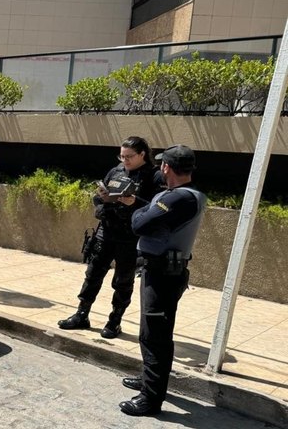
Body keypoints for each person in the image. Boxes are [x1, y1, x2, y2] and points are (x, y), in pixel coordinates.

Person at [119, 145, 206, 416]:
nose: (159, 168)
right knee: (151, 332)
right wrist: (144, 207)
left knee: (154, 335)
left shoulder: (179, 198)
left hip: (162, 276)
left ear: (166, 167)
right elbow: (154, 217)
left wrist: (137, 212)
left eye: (161, 165)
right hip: (162, 272)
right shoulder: (185, 196)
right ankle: (149, 380)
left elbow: (140, 225)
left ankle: (150, 398)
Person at [58, 137, 164, 339]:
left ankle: (115, 321)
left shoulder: (154, 176)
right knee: (93, 274)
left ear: (142, 154)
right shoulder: (116, 171)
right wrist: (101, 203)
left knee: (123, 281)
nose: (125, 160)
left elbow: (156, 208)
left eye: (129, 156)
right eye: (121, 156)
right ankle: (82, 314)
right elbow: (98, 196)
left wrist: (134, 202)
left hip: (129, 237)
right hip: (106, 231)